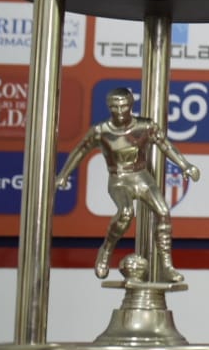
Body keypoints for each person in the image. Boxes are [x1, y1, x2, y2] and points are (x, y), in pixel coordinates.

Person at [56, 86, 201, 283]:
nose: (120, 110)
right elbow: (80, 151)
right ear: (109, 107)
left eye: (123, 106)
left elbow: (165, 145)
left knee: (163, 212)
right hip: (119, 179)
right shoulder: (101, 131)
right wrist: (64, 174)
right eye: (115, 107)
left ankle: (166, 265)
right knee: (125, 213)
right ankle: (106, 249)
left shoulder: (145, 126)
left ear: (130, 105)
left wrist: (185, 165)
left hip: (141, 176)